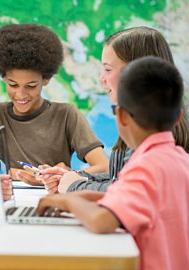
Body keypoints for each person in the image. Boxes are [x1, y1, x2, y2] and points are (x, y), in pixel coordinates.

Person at [36, 56, 189, 270]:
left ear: (122, 116)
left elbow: (101, 220)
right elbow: (141, 201)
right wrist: (80, 195)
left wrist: (68, 202)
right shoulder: (180, 160)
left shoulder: (145, 166)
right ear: (179, 117)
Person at [39, 26, 189, 194]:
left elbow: (125, 191)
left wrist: (74, 186)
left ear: (136, 73)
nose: (101, 79)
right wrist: (73, 177)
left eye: (108, 70)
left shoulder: (149, 132)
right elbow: (120, 177)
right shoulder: (144, 124)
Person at [0, 23, 108, 183]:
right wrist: (17, 174)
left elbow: (104, 166)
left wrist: (67, 176)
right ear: (3, 78)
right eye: (12, 85)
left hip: (55, 199)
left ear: (46, 79)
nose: (20, 94)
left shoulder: (67, 114)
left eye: (31, 86)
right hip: (14, 199)